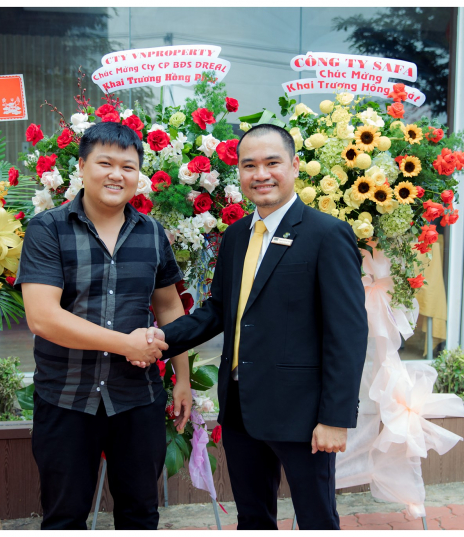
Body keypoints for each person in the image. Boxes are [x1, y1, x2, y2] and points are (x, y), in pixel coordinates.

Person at [146, 123, 368, 530]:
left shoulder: (327, 234)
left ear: (294, 166)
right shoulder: (235, 236)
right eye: (249, 165)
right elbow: (218, 311)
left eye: (272, 163)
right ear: (239, 173)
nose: (261, 174)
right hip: (241, 410)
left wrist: (335, 418)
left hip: (303, 415)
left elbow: (348, 333)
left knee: (317, 520)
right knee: (252, 519)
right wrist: (161, 338)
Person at [15, 121, 192, 530]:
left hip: (137, 399)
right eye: (105, 163)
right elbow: (42, 317)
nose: (117, 175)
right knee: (64, 517)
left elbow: (169, 308)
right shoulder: (48, 229)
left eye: (128, 167)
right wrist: (125, 344)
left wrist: (182, 378)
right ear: (81, 166)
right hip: (66, 398)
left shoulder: (152, 233)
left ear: (138, 175)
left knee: (141, 515)